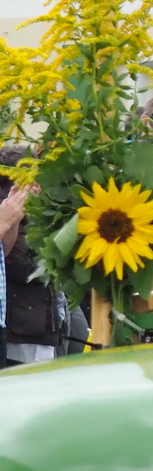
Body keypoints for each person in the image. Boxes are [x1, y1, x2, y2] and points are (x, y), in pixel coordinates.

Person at [1, 143, 66, 366]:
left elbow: (7, 251)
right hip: (25, 323)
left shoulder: (21, 211)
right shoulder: (10, 210)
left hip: (36, 319)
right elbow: (20, 265)